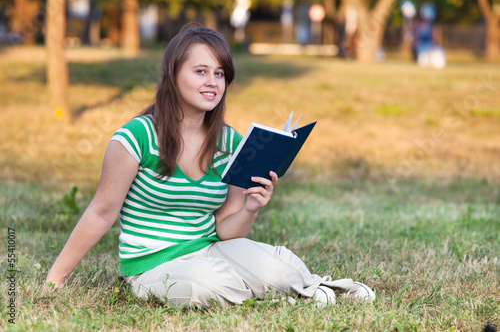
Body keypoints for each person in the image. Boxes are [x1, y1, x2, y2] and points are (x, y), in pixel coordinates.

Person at [46, 24, 375, 309]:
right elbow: (101, 212)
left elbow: (225, 231)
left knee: (271, 269)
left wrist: (251, 207)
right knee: (206, 283)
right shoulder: (137, 137)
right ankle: (290, 294)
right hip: (150, 267)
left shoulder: (231, 143)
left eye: (220, 73)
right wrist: (55, 280)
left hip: (212, 250)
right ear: (173, 75)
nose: (213, 82)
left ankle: (317, 288)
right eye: (200, 71)